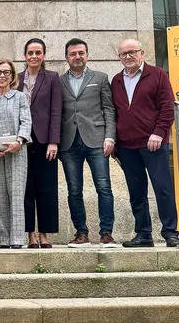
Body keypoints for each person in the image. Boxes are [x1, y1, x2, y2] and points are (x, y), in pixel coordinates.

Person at [111, 38, 179, 248]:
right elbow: (113, 113)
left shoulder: (157, 74)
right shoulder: (116, 80)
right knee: (136, 191)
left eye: (132, 52)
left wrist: (159, 133)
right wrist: (114, 141)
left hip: (153, 143)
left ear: (142, 53)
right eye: (123, 54)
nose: (128, 57)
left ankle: (170, 233)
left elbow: (168, 107)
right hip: (126, 147)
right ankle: (143, 234)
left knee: (163, 188)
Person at [58, 38, 118, 248]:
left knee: (104, 187)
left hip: (96, 140)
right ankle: (81, 233)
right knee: (74, 190)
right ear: (66, 57)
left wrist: (110, 136)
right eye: (73, 54)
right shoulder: (58, 81)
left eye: (81, 53)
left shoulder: (100, 78)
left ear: (87, 55)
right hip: (68, 143)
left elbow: (109, 109)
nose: (77, 57)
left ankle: (106, 233)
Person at [0, 59, 32, 249]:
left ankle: (17, 239)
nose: (2, 76)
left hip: (17, 152)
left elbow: (26, 122)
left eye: (6, 72)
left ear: (12, 77)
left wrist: (19, 141)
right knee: (1, 195)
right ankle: (4, 238)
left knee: (16, 194)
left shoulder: (19, 98)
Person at [17, 38, 62, 248]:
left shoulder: (52, 78)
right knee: (26, 189)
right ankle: (30, 235)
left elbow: (56, 111)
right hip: (23, 141)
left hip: (45, 142)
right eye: (30, 53)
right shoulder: (15, 79)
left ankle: (45, 234)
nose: (34, 56)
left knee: (46, 188)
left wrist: (54, 141)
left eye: (38, 52)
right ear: (24, 55)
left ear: (43, 55)